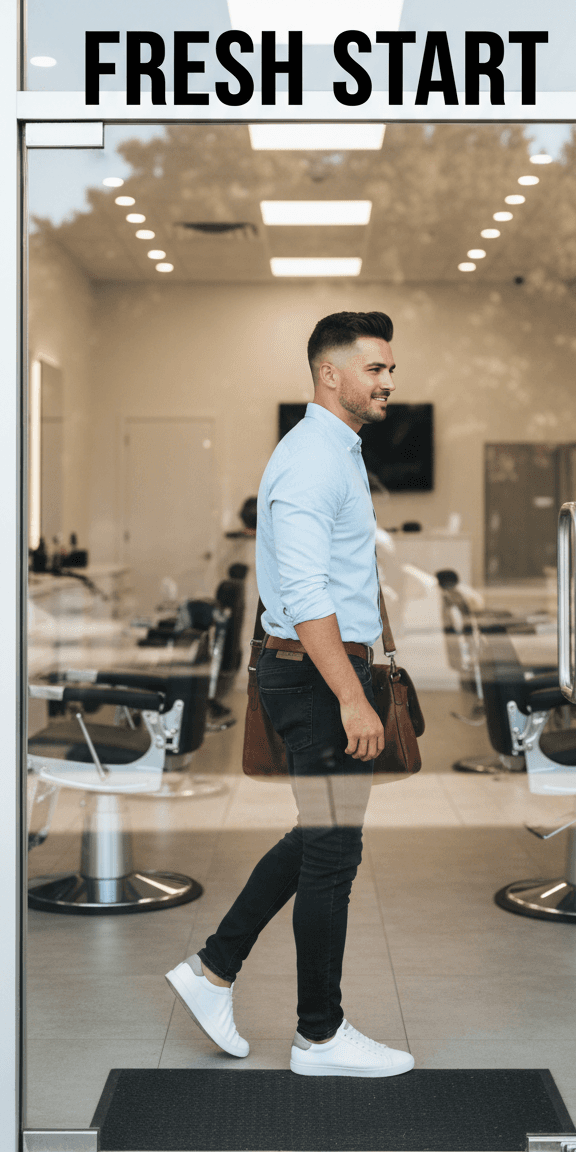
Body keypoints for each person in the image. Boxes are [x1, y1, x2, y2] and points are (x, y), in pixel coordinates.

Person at [165, 310, 415, 1079]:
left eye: (390, 369)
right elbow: (305, 592)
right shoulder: (311, 460)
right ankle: (319, 1035)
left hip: (322, 670)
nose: (388, 381)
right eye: (375, 369)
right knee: (333, 851)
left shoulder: (335, 452)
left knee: (318, 837)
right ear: (330, 374)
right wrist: (351, 697)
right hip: (316, 676)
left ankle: (212, 971)